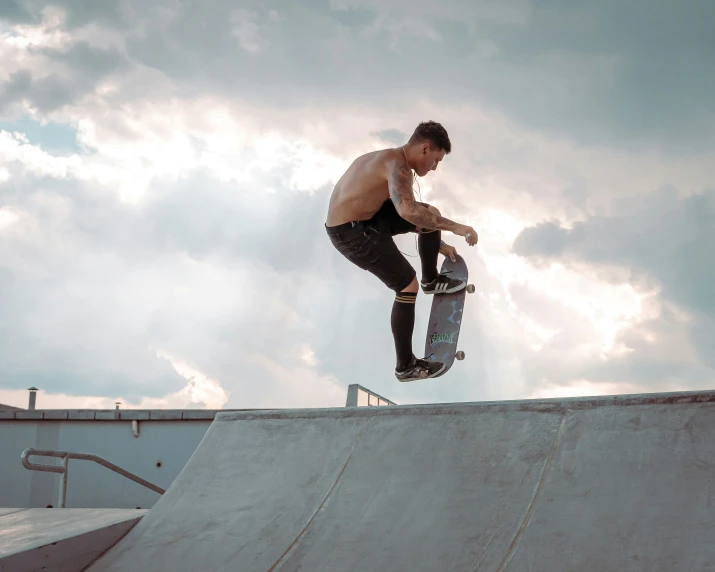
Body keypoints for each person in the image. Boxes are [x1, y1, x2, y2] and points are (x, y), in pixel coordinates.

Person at [325, 121, 478, 382]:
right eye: (436, 161)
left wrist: (438, 245)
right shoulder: (397, 167)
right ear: (425, 148)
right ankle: (405, 366)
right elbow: (407, 211)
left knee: (430, 214)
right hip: (350, 232)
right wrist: (457, 227)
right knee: (407, 285)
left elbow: (407, 212)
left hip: (369, 218)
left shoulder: (389, 158)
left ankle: (432, 279)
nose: (434, 168)